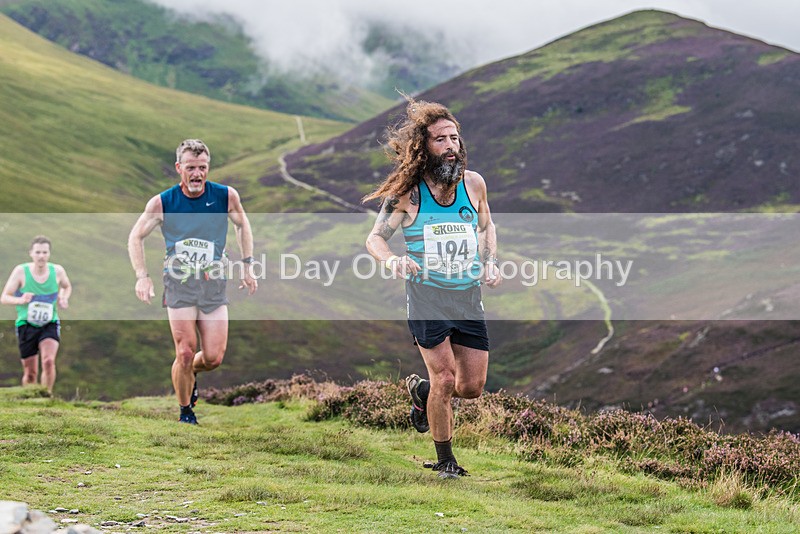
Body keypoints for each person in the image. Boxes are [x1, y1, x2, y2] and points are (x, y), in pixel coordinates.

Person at [364, 99, 502, 478]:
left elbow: (487, 226)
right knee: (445, 377)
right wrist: (393, 261)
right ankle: (446, 461)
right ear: (424, 147)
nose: (451, 145)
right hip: (426, 296)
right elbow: (375, 239)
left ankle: (424, 394)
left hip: (467, 296)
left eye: (454, 137)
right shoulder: (408, 193)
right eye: (441, 139)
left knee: (471, 387)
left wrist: (490, 261)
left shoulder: (474, 184)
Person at [128, 139, 258, 425]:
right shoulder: (163, 202)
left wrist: (247, 265)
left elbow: (242, 225)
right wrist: (142, 276)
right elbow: (136, 236)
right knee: (185, 352)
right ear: (179, 168)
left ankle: (191, 372)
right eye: (191, 168)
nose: (197, 174)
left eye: (202, 167)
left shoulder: (226, 196)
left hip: (213, 284)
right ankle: (186, 411)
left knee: (213, 358)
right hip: (179, 285)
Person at [1, 235, 72, 394]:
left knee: (48, 361)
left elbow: (66, 286)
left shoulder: (57, 271)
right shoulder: (21, 272)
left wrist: (63, 298)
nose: (41, 256)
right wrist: (21, 300)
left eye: (45, 252)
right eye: (38, 252)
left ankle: (47, 396)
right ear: (31, 254)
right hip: (26, 325)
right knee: (30, 372)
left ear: (49, 254)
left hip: (49, 323)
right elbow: (4, 297)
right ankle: (30, 399)